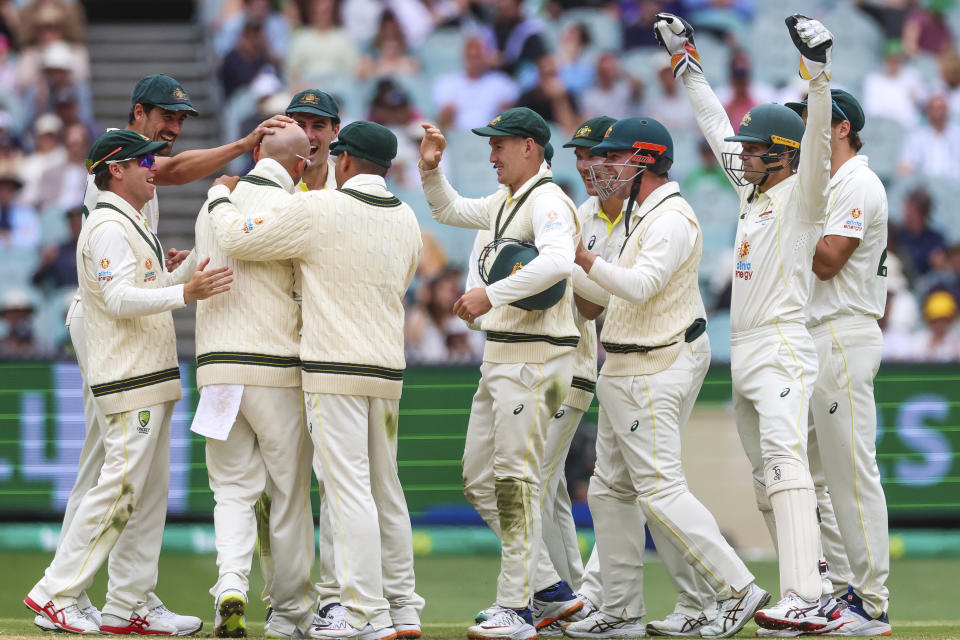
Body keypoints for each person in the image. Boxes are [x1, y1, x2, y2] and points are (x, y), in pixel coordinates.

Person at [33, 72, 291, 635]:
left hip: (128, 324)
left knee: (130, 478)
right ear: (138, 114)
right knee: (115, 476)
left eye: (179, 123)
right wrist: (247, 145)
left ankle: (129, 601)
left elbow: (147, 227)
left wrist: (166, 267)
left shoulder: (133, 188)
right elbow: (169, 174)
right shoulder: (121, 162)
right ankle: (61, 590)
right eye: (165, 120)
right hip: (108, 329)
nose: (171, 134)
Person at [657, 11, 845, 632]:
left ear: (782, 155)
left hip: (784, 345)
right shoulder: (753, 193)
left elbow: (817, 142)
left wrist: (816, 75)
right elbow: (715, 127)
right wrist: (687, 64)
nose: (742, 155)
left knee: (786, 464)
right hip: (744, 349)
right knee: (769, 479)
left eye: (755, 148)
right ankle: (811, 582)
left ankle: (805, 595)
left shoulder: (804, 195)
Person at [206, 121, 424, 640]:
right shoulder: (409, 219)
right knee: (384, 490)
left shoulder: (321, 207)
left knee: (345, 491)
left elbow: (238, 239)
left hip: (334, 371)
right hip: (388, 370)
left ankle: (356, 610)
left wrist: (218, 196)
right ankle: (402, 607)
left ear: (344, 160)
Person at [564, 116, 767, 639]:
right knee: (609, 492)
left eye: (614, 158)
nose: (602, 167)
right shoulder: (633, 214)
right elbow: (602, 298)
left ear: (647, 160)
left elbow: (641, 285)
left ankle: (735, 587)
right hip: (624, 365)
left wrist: (583, 258)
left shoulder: (672, 218)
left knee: (659, 488)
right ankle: (621, 609)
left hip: (656, 363)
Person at [25, 128, 232, 634]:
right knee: (116, 489)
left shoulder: (132, 222)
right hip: (128, 376)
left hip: (152, 373)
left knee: (144, 496)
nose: (154, 168)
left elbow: (136, 288)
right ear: (115, 169)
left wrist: (178, 278)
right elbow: (117, 301)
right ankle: (56, 592)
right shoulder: (108, 226)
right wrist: (186, 294)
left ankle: (128, 605)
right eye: (144, 161)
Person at [419, 107, 582, 639]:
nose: (492, 155)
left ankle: (515, 606)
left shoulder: (550, 200)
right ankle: (549, 589)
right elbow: (448, 209)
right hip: (502, 356)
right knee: (477, 479)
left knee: (515, 481)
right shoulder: (504, 201)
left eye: (501, 145)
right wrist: (430, 169)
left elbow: (559, 261)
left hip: (537, 355)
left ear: (531, 147)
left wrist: (489, 293)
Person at [194, 125, 316, 639]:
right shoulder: (295, 208)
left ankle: (230, 585)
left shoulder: (212, 203)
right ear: (299, 166)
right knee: (288, 494)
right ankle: (288, 614)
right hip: (272, 369)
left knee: (231, 492)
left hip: (217, 371)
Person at [785, 88, 893, 636]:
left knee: (851, 474)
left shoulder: (858, 183)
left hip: (842, 335)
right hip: (814, 337)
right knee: (804, 476)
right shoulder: (826, 182)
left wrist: (789, 214)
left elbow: (827, 261)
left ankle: (871, 602)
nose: (804, 133)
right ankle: (835, 589)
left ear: (841, 127)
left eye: (813, 122)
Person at [286, 89, 340, 191]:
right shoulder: (272, 184)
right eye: (300, 126)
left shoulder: (347, 187)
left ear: (335, 131)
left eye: (318, 126)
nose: (308, 136)